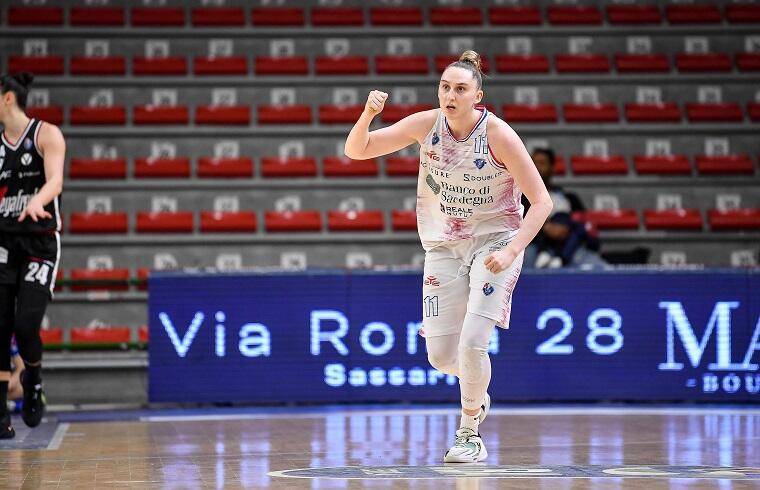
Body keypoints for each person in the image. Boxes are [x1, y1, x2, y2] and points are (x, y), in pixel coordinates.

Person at [345, 51, 552, 462]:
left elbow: (542, 202)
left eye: (460, 88)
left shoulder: (497, 134)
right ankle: (477, 391)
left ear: (478, 95)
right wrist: (368, 114)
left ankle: (469, 432)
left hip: (496, 242)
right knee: (442, 357)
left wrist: (513, 249)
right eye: (445, 86)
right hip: (443, 246)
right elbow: (358, 150)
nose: (450, 94)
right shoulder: (427, 124)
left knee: (474, 343)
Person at [0, 72, 65, 439]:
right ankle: (0, 418)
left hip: (39, 241)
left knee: (26, 325)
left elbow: (55, 180)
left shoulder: (46, 134)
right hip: (4, 242)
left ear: (8, 98)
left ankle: (34, 380)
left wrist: (38, 200)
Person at [522, 148, 607, 269]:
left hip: (569, 247)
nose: (536, 167)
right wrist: (546, 228)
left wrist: (566, 228)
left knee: (596, 265)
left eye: (541, 163)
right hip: (535, 247)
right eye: (533, 163)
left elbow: (585, 227)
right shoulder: (519, 199)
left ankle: (561, 259)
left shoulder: (570, 198)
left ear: (552, 168)